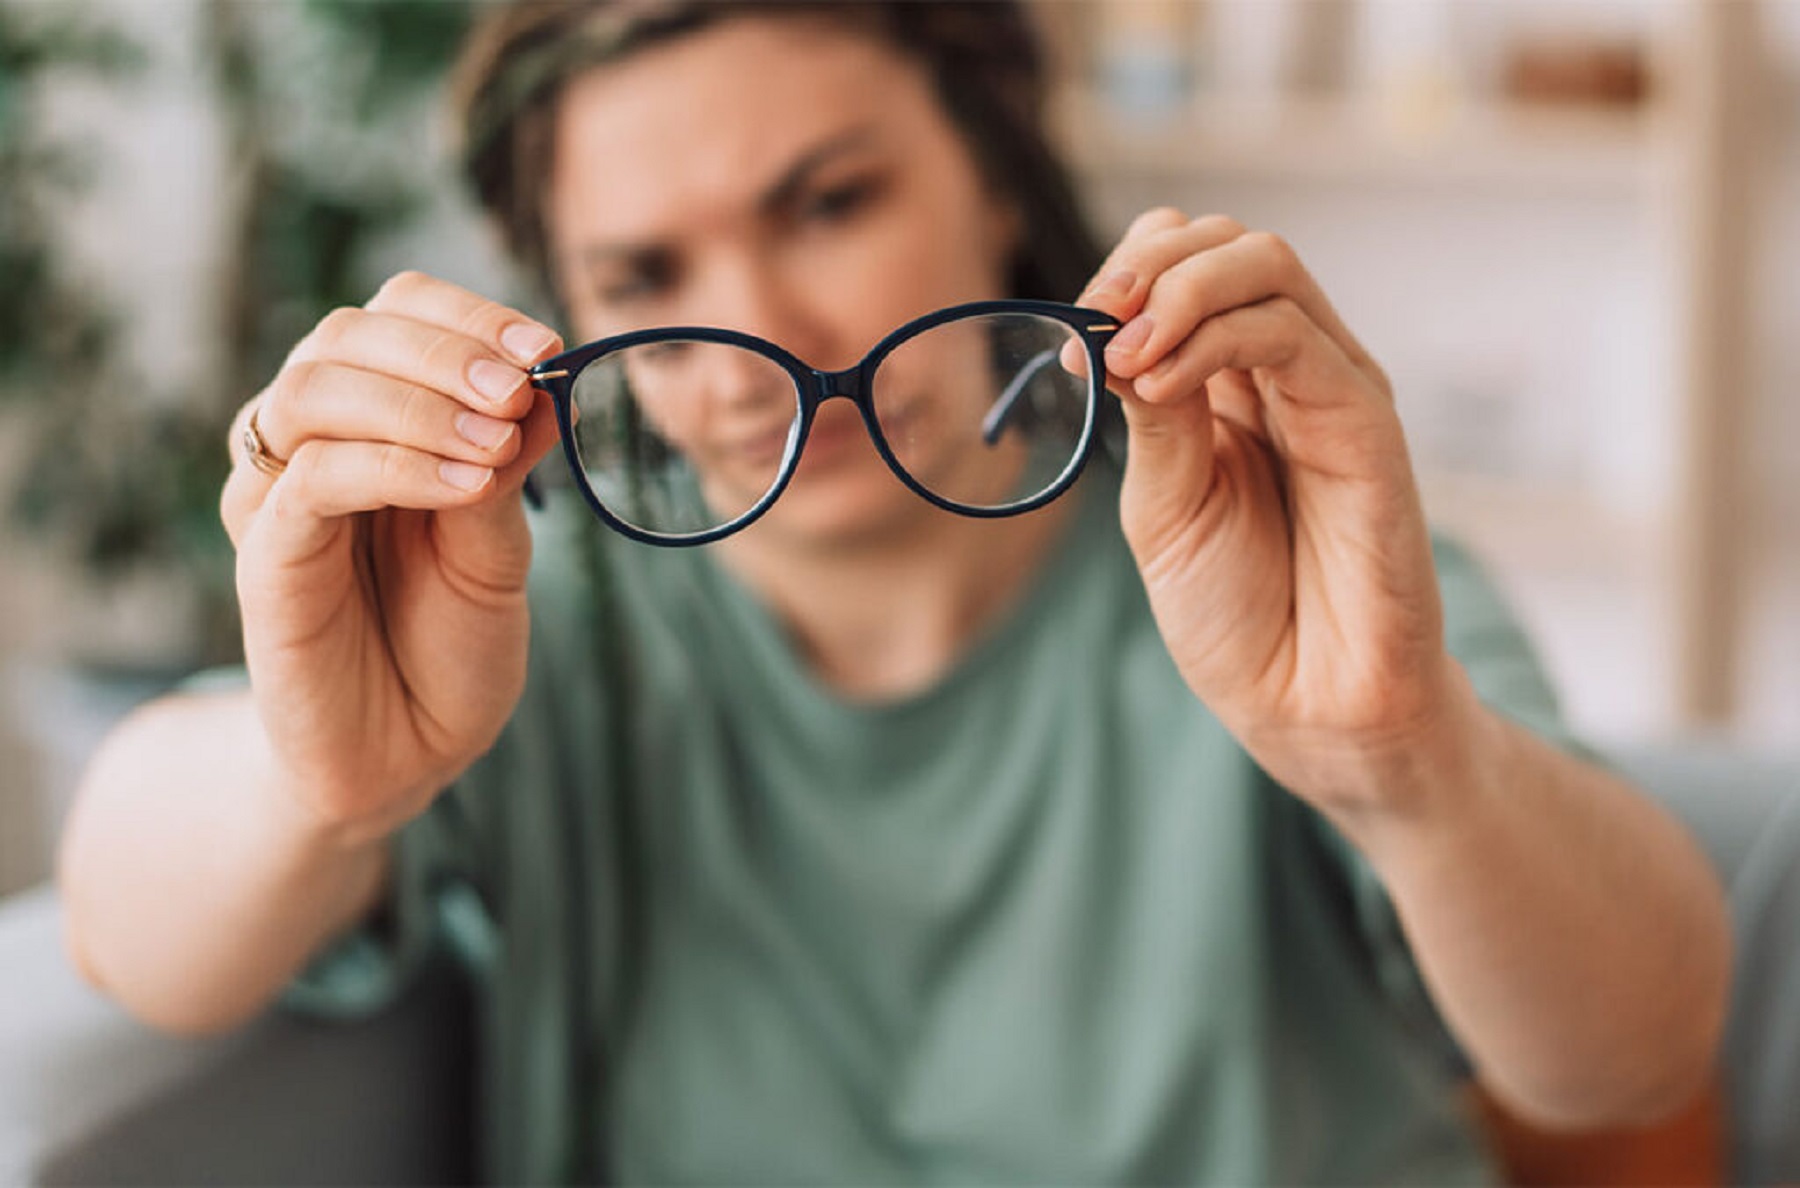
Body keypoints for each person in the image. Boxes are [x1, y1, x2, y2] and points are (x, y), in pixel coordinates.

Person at [58, 2, 1731, 1183]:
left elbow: (1636, 1053)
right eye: (644, 274)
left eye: (832, 201)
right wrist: (317, 783)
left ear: (996, 180)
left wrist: (1405, 763)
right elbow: (132, 929)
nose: (761, 333)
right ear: (568, 314)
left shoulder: (1301, 582)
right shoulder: (531, 627)